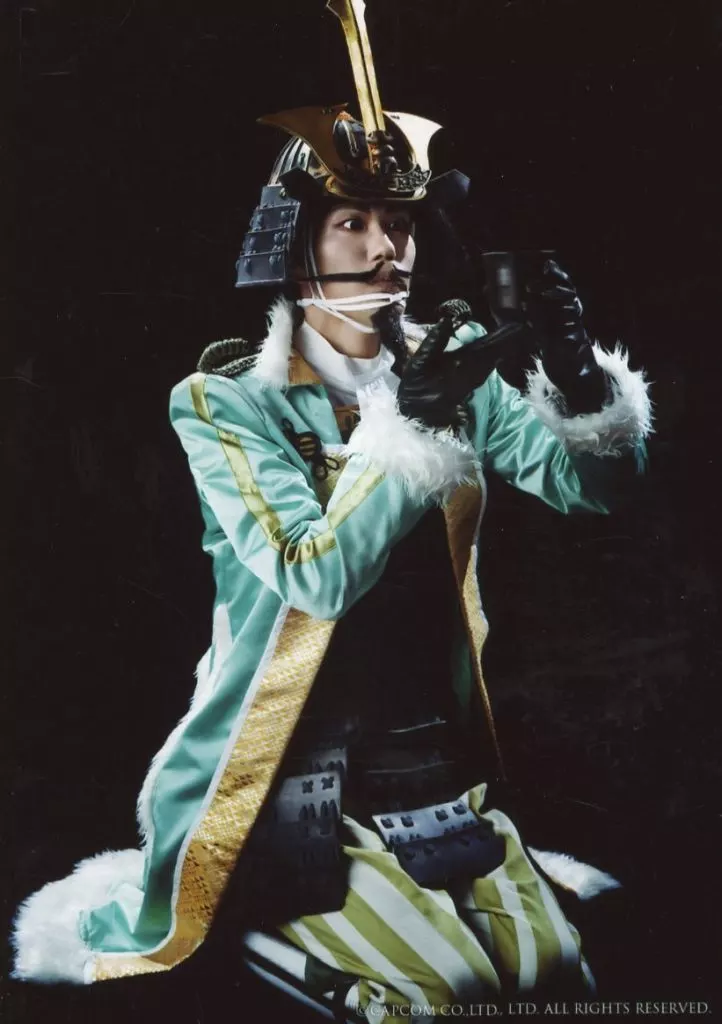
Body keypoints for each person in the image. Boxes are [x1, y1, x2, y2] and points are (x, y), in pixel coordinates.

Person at [11, 4, 652, 1016]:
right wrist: (409, 423)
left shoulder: (449, 361)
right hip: (284, 770)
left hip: (432, 756)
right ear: (296, 244)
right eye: (353, 222)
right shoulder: (225, 402)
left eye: (399, 223)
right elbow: (314, 575)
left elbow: (592, 488)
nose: (385, 247)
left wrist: (576, 379)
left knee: (549, 976)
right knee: (437, 993)